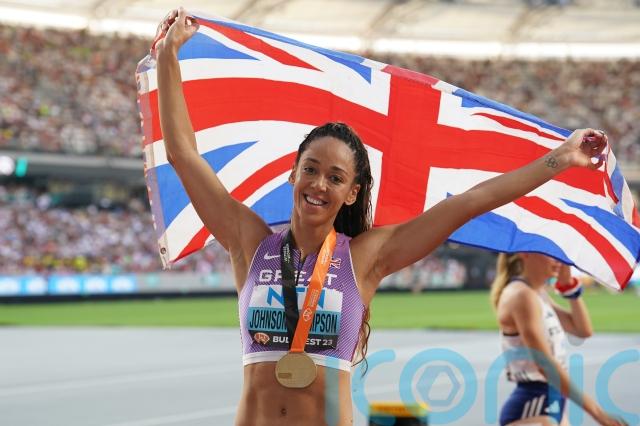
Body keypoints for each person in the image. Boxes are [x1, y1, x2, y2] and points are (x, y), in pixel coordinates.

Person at [154, 7, 612, 426]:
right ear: (293, 174)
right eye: (310, 170)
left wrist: (560, 158)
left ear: (352, 193)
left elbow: (471, 201)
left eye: (335, 178)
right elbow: (182, 155)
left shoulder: (364, 257)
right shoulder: (250, 243)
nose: (318, 184)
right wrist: (168, 57)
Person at [491, 254, 625, 426]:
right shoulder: (521, 295)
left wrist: (569, 287)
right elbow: (545, 364)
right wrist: (598, 413)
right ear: (525, 253)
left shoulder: (537, 294)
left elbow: (582, 330)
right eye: (550, 253)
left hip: (550, 403)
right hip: (533, 407)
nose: (558, 260)